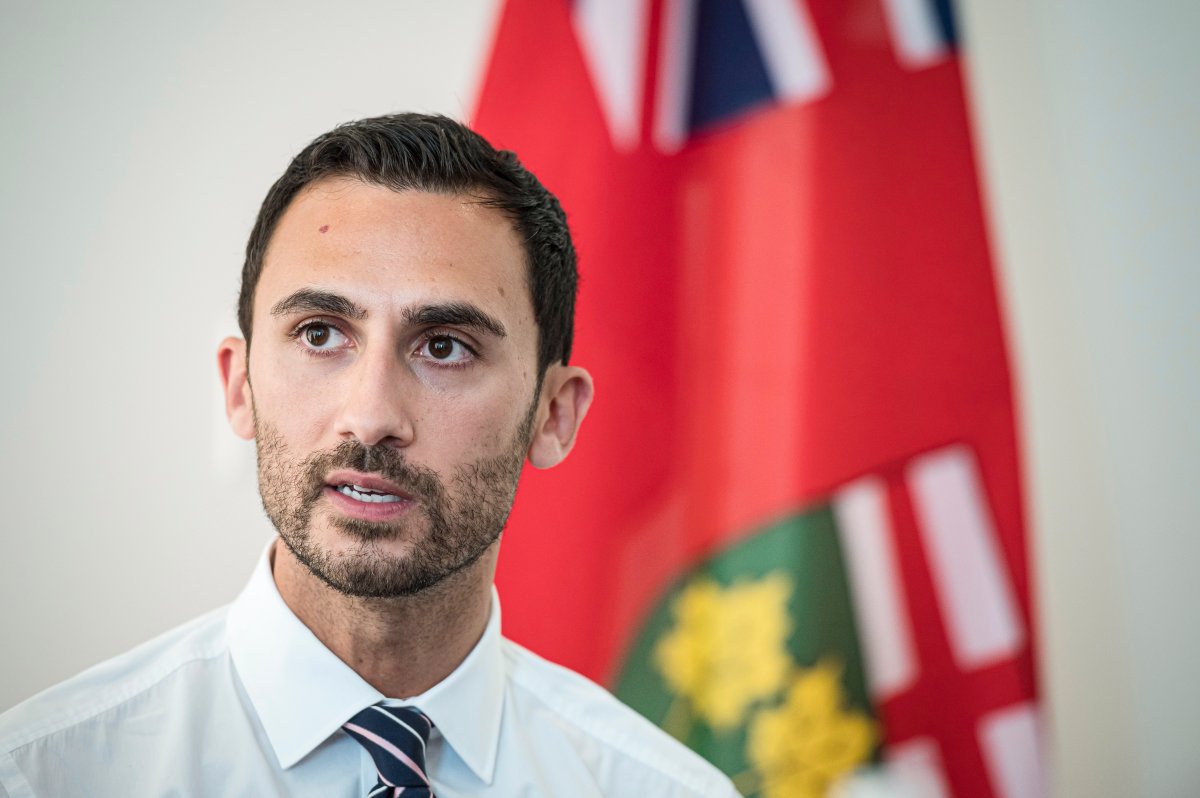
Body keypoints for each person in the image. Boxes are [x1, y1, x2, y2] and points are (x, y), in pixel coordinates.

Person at [0, 114, 737, 797]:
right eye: (320, 334)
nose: (372, 417)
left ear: (553, 414)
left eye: (444, 348)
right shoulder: (43, 774)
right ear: (239, 386)